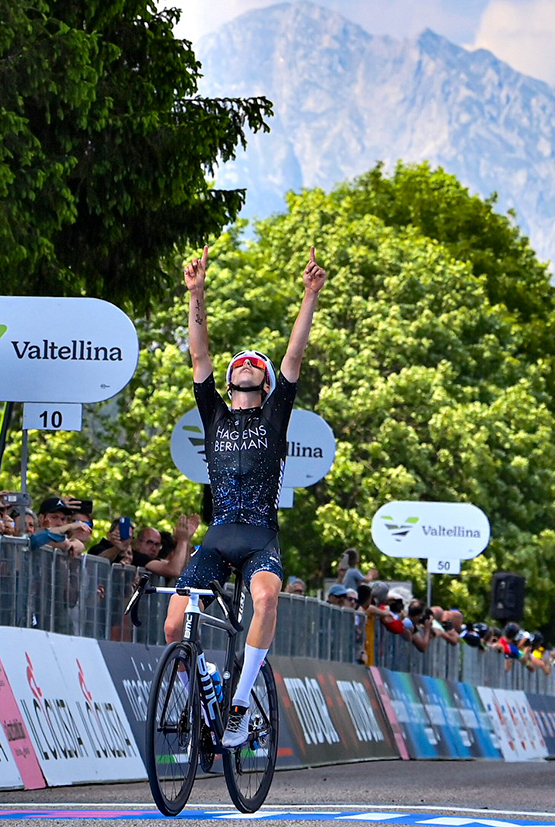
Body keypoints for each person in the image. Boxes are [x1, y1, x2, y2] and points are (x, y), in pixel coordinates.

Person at [163, 243, 327, 748]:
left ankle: (239, 702)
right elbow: (199, 352)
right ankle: (207, 686)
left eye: (257, 362)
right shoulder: (213, 414)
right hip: (218, 538)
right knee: (173, 627)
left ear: (266, 381)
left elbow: (295, 353)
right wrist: (197, 292)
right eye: (241, 361)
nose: (247, 363)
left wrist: (310, 295)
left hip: (259, 538)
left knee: (265, 597)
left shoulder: (274, 417)